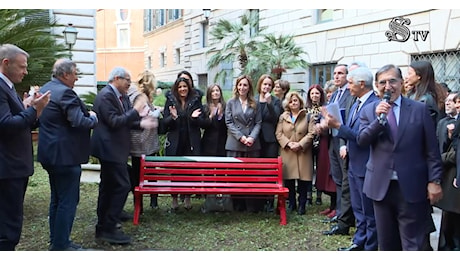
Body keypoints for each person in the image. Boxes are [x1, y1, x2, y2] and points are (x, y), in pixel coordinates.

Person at [357, 64, 443, 250]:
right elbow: (362, 140)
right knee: (387, 244)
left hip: (412, 186)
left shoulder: (419, 109)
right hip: (381, 186)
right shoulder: (369, 110)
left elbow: (432, 150)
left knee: (414, 243)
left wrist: (434, 180)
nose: (388, 86)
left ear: (402, 82)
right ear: (376, 86)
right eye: (382, 82)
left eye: (392, 81)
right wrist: (378, 121)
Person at [37, 59, 98, 251]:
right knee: (68, 201)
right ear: (65, 75)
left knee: (57, 199)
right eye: (74, 74)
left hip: (49, 154)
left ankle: (56, 242)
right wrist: (93, 117)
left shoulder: (48, 88)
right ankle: (61, 245)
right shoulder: (65, 93)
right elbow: (79, 121)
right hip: (66, 156)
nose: (77, 78)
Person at [91, 67, 156, 245]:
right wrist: (136, 111)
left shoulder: (122, 96)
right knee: (122, 185)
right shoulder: (106, 96)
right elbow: (115, 122)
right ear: (116, 78)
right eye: (127, 79)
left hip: (116, 149)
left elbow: (125, 121)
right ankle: (109, 226)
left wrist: (141, 122)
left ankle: (105, 223)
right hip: (109, 150)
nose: (130, 83)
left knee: (110, 186)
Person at [0, 43, 50, 251]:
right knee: (7, 227)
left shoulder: (8, 87)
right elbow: (6, 125)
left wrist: (33, 109)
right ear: (5, 63)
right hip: (7, 168)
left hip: (15, 167)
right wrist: (33, 110)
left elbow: (21, 122)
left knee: (11, 221)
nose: (25, 71)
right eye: (21, 67)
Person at [323, 67, 379, 250]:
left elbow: (363, 136)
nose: (348, 86)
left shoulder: (374, 104)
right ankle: (359, 241)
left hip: (367, 164)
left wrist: (337, 125)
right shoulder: (356, 102)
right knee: (358, 208)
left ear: (362, 83)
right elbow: (351, 128)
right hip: (354, 162)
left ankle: (369, 247)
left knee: (369, 211)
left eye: (351, 82)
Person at [162, 76, 204, 211]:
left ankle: (187, 196)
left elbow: (202, 121)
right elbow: (164, 123)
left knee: (189, 170)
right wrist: (172, 117)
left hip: (191, 139)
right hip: (175, 140)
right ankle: (174, 197)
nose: (182, 89)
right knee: (175, 171)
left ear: (189, 88)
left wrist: (194, 119)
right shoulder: (170, 100)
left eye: (185, 86)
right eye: (180, 87)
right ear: (176, 88)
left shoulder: (195, 100)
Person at [225, 74, 262, 212]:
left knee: (251, 175)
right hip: (235, 143)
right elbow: (229, 122)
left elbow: (258, 123)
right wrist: (241, 137)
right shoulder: (231, 102)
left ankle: (251, 206)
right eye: (240, 85)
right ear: (236, 86)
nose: (242, 87)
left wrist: (252, 137)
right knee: (235, 174)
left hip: (252, 144)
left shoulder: (255, 103)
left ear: (249, 87)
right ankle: (236, 205)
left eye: (245, 85)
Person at [276, 91, 315, 215]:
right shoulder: (283, 117)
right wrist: (288, 143)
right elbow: (278, 133)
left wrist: (300, 144)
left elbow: (311, 133)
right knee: (289, 180)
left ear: (300, 102)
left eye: (296, 100)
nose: (293, 103)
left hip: (303, 152)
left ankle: (302, 204)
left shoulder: (308, 116)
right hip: (288, 152)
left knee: (303, 180)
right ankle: (291, 203)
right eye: (291, 101)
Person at [127, 70, 161, 211]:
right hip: (143, 140)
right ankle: (145, 204)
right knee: (144, 173)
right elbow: (142, 115)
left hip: (139, 140)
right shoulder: (140, 97)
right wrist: (156, 113)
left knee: (139, 173)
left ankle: (141, 204)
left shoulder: (138, 96)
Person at [325, 64, 354, 224]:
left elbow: (348, 120)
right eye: (335, 73)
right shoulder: (335, 94)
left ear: (347, 76)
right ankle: (339, 211)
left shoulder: (350, 94)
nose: (336, 76)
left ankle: (346, 216)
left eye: (340, 73)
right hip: (333, 139)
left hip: (343, 140)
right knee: (336, 177)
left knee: (345, 180)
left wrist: (344, 143)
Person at [434, 92, 460, 250]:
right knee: (449, 223)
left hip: (455, 177)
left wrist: (441, 158)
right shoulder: (445, 122)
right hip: (450, 176)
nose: (455, 104)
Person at [255, 74, 282, 212]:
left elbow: (276, 117)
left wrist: (269, 103)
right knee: (257, 171)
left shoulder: (276, 101)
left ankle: (270, 200)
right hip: (255, 139)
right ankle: (259, 201)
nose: (266, 87)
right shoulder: (253, 100)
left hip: (270, 139)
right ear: (260, 85)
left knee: (270, 171)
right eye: (264, 84)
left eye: (269, 85)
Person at [305, 84, 335, 207]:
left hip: (322, 141)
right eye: (312, 93)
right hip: (308, 142)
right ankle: (308, 195)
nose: (314, 95)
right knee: (308, 168)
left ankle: (318, 195)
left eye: (317, 93)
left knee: (321, 167)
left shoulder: (325, 108)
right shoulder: (305, 109)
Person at [201, 83, 227, 156]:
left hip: (222, 143)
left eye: (217, 90)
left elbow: (228, 123)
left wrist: (220, 114)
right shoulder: (205, 107)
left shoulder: (226, 106)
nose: (215, 93)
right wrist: (211, 115)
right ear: (209, 94)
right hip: (208, 143)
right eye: (213, 91)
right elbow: (203, 125)